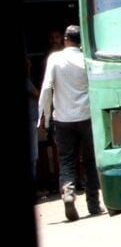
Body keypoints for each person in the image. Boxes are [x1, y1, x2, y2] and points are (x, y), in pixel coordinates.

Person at [38, 26, 102, 221]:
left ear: (65, 39)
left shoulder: (55, 59)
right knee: (90, 162)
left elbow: (47, 88)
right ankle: (93, 205)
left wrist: (44, 117)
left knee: (66, 160)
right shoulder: (87, 58)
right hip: (87, 117)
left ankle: (68, 192)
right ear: (79, 41)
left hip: (63, 119)